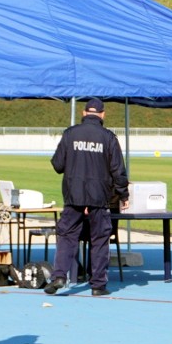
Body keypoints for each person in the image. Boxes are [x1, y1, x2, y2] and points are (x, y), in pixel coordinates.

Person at [44, 98, 129, 296]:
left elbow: (57, 165)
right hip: (99, 197)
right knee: (100, 239)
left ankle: (59, 276)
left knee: (66, 236)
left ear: (84, 113)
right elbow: (119, 171)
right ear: (102, 115)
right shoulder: (109, 137)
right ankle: (98, 285)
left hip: (73, 195)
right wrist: (123, 194)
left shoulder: (70, 134)